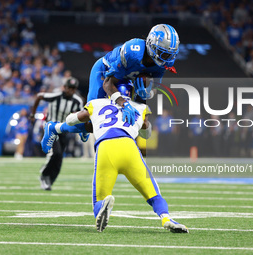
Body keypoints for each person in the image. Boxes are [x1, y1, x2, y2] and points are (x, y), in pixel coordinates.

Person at [41, 82, 188, 233]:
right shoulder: (140, 107)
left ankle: (103, 207)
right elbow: (146, 133)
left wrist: (80, 124)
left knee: (99, 199)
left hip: (106, 148)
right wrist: (142, 121)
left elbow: (72, 120)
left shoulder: (97, 103)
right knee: (154, 194)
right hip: (129, 149)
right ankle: (166, 218)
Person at [47, 24, 180, 141]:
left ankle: (84, 129)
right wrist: (124, 103)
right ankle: (55, 127)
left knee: (128, 121)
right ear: (151, 44)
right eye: (163, 53)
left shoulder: (164, 63)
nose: (166, 59)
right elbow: (108, 83)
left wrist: (146, 93)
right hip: (105, 73)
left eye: (169, 54)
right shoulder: (133, 52)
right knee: (92, 117)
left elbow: (154, 87)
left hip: (128, 81)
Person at [30, 77, 85, 190]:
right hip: (50, 129)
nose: (71, 91)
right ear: (64, 87)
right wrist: (32, 114)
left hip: (64, 130)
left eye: (73, 89)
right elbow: (40, 96)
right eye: (69, 88)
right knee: (55, 153)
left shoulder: (77, 101)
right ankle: (44, 174)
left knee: (59, 157)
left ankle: (49, 180)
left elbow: (81, 114)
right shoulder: (56, 96)